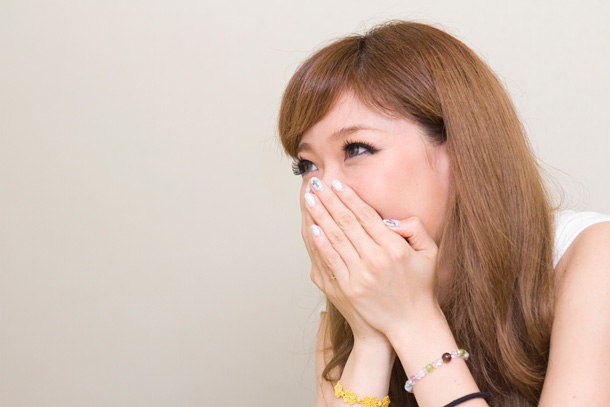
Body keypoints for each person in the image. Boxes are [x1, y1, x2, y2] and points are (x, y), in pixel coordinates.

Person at [277, 21, 610, 407]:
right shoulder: (359, 292)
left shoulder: (594, 257)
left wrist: (411, 320)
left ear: (461, 151)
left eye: (357, 149)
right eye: (306, 166)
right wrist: (370, 338)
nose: (322, 191)